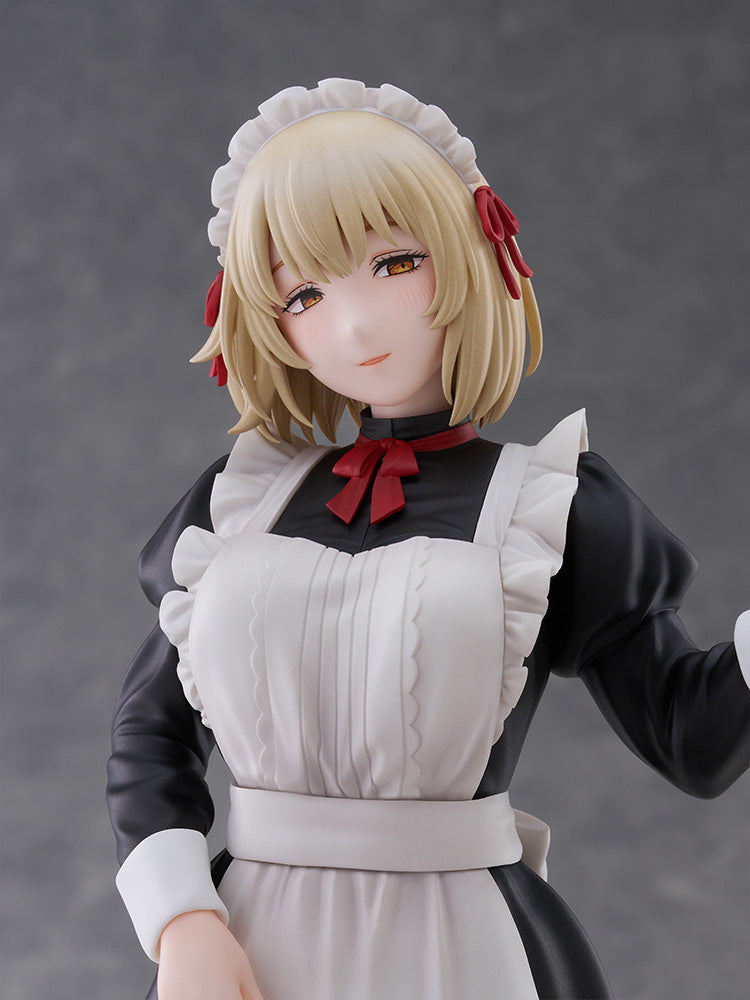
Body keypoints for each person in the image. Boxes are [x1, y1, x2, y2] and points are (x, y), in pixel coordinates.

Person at [107, 78, 750, 1000]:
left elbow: (695, 736)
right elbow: (151, 732)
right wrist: (182, 919)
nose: (355, 322)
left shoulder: (551, 508)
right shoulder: (239, 503)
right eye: (305, 293)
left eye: (396, 263)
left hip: (462, 949)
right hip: (246, 945)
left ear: (473, 247)